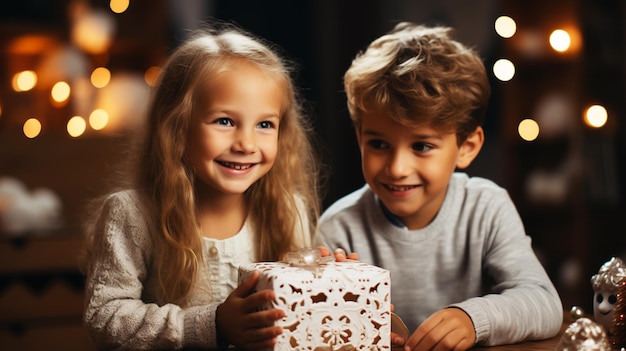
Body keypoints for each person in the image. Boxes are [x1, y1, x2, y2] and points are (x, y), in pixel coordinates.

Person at [80, 23, 346, 350]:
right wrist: (213, 323)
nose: (246, 143)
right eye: (224, 121)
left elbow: (298, 319)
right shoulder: (132, 214)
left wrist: (333, 289)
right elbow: (105, 318)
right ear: (176, 128)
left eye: (265, 124)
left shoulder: (287, 211)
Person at [319, 22, 563, 350]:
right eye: (378, 144)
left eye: (421, 146)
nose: (397, 168)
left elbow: (544, 303)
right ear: (359, 138)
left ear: (467, 147)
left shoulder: (486, 208)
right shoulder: (338, 227)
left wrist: (473, 319)